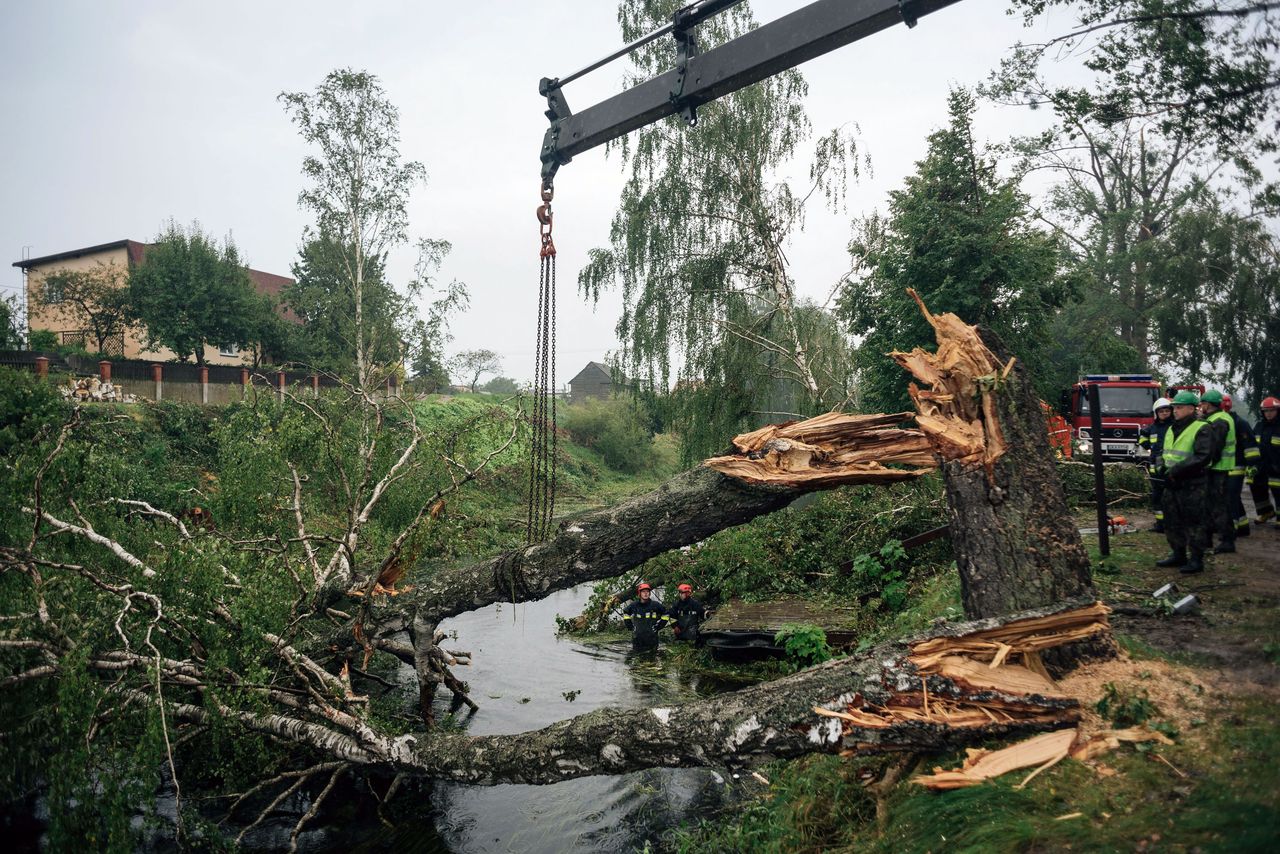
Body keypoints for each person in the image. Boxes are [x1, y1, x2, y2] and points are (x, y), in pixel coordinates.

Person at [1157, 391, 1213, 574]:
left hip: (1193, 482)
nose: (1175, 411)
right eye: (1174, 407)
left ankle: (1196, 559)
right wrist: (1162, 466)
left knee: (1194, 521)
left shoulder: (1202, 428)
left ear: (1191, 408)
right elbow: (1166, 452)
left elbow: (1202, 456)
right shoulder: (1172, 427)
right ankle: (1178, 553)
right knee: (1171, 519)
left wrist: (1177, 470)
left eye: (1179, 408)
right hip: (1173, 482)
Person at [1199, 389, 1237, 553]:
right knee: (1209, 505)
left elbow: (1214, 447)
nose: (1201, 407)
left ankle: (1227, 540)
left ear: (1208, 404)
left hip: (1218, 469)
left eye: (1202, 404)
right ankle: (1208, 540)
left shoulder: (1220, 421)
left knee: (1219, 506)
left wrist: (1202, 463)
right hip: (1215, 469)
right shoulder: (1217, 418)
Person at [1221, 394, 1260, 537]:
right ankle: (1243, 526)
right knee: (1233, 496)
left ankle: (1232, 528)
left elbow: (1250, 446)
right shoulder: (1219, 421)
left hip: (1237, 465)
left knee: (1231, 495)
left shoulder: (1240, 423)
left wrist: (1252, 465)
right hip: (1224, 465)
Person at [1140, 397, 1175, 532]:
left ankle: (1172, 523)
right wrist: (1147, 444)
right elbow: (1142, 437)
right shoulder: (1152, 428)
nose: (1165, 413)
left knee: (1170, 497)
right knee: (1156, 497)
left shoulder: (1174, 427)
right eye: (1162, 411)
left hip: (1169, 468)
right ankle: (1160, 524)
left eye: (1167, 411)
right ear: (1156, 413)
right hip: (1155, 468)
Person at [1252, 396, 1280, 526]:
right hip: (1261, 465)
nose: (1268, 414)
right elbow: (1251, 444)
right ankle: (1266, 512)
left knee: (1278, 490)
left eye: (1272, 410)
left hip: (1277, 466)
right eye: (1266, 411)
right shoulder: (1258, 426)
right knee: (1257, 488)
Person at [622, 582, 670, 652]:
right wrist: (631, 627)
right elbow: (626, 613)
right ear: (639, 593)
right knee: (637, 659)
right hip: (637, 640)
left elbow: (666, 614)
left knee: (652, 659)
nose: (646, 593)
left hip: (652, 639)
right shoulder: (634, 605)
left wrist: (659, 626)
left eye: (647, 591)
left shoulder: (655, 605)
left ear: (649, 593)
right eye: (643, 592)